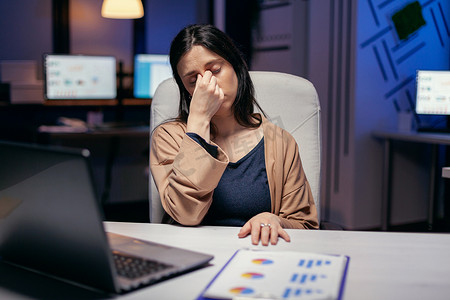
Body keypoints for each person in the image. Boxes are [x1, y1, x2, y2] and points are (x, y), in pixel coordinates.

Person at [150, 24, 318, 246]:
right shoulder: (168, 137)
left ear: (236, 67)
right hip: (191, 255)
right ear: (187, 91)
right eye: (193, 80)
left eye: (216, 70)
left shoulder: (280, 141)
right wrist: (199, 121)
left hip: (258, 257)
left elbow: (305, 225)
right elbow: (186, 214)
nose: (207, 85)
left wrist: (274, 220)